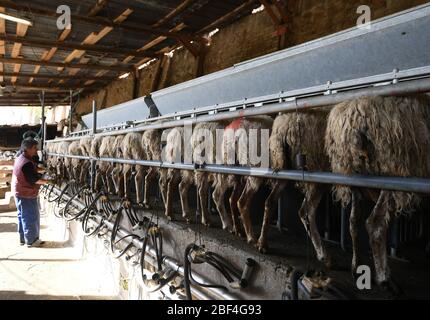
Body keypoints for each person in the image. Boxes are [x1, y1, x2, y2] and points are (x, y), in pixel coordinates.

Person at [11, 138, 50, 247]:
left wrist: (43, 170)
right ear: (27, 149)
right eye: (34, 148)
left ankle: (24, 239)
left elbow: (32, 170)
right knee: (30, 216)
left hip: (20, 191)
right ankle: (32, 241)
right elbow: (34, 179)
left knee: (22, 215)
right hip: (26, 193)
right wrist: (49, 181)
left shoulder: (22, 157)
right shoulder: (26, 163)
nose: (36, 150)